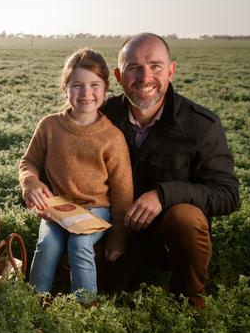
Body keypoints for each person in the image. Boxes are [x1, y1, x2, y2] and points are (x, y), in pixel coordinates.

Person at [101, 33, 240, 308]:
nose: (145, 77)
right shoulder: (103, 115)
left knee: (186, 216)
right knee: (80, 274)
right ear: (118, 75)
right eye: (134, 68)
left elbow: (228, 195)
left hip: (168, 239)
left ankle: (190, 299)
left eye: (155, 66)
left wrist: (164, 195)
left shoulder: (200, 125)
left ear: (171, 71)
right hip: (114, 231)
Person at [18, 48, 133, 302]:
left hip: (96, 209)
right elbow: (29, 162)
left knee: (80, 244)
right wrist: (30, 182)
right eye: (77, 85)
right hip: (59, 208)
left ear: (105, 89)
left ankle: (85, 310)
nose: (86, 93)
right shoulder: (49, 126)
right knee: (47, 245)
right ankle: (35, 305)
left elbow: (123, 191)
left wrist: (117, 235)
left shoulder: (112, 137)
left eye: (94, 85)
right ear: (65, 88)